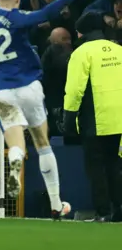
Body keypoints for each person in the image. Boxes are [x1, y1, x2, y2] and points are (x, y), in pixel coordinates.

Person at [0, 0, 97, 220]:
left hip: (0, 91)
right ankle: (57, 205)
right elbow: (47, 12)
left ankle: (15, 163)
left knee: (15, 141)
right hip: (27, 86)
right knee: (42, 143)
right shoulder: (16, 17)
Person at [64, 12, 122, 222]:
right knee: (115, 165)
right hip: (120, 120)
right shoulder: (119, 50)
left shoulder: (82, 52)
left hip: (96, 120)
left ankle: (103, 212)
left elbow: (74, 89)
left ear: (84, 31)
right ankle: (119, 210)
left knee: (96, 166)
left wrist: (68, 118)